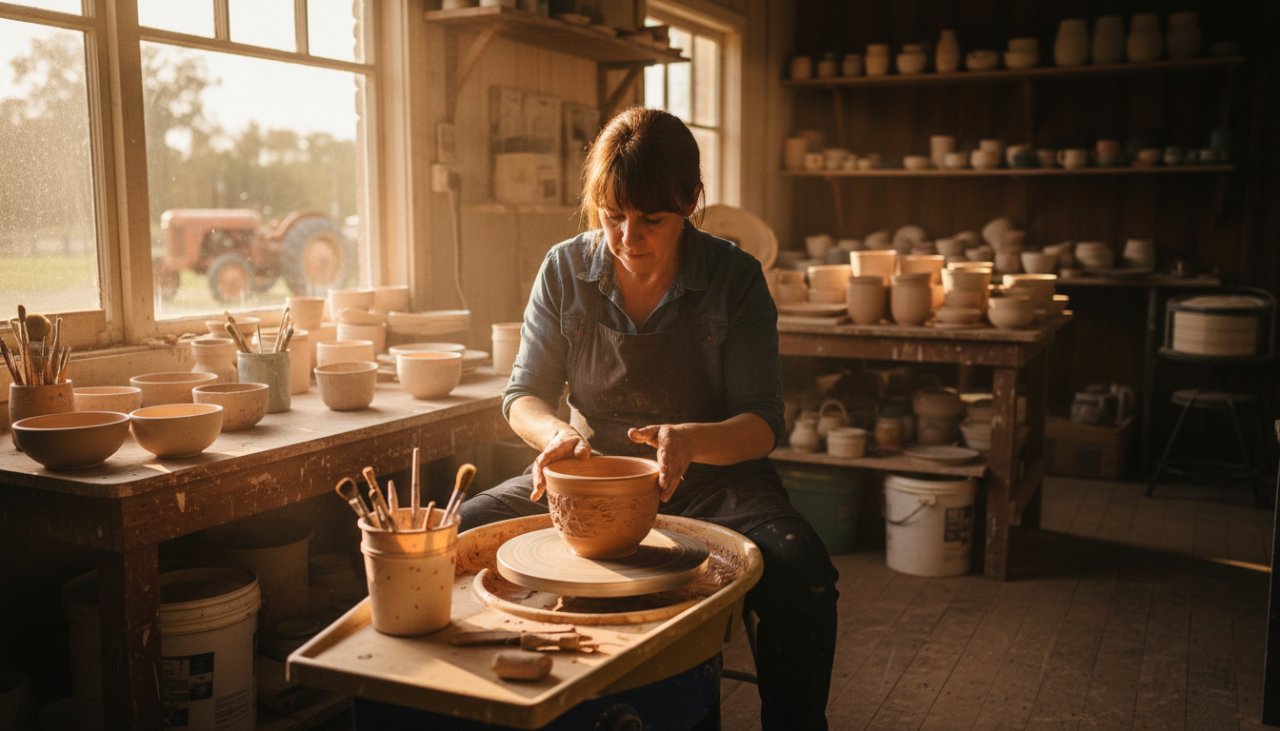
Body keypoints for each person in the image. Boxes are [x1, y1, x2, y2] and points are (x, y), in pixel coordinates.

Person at [460, 107, 838, 728]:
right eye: (613, 216)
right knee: (459, 535)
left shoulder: (734, 279)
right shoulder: (563, 270)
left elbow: (764, 423)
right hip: (590, 475)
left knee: (801, 570)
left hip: (714, 475)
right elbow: (522, 394)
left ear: (692, 200)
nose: (628, 237)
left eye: (651, 219)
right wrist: (555, 434)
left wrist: (690, 441)